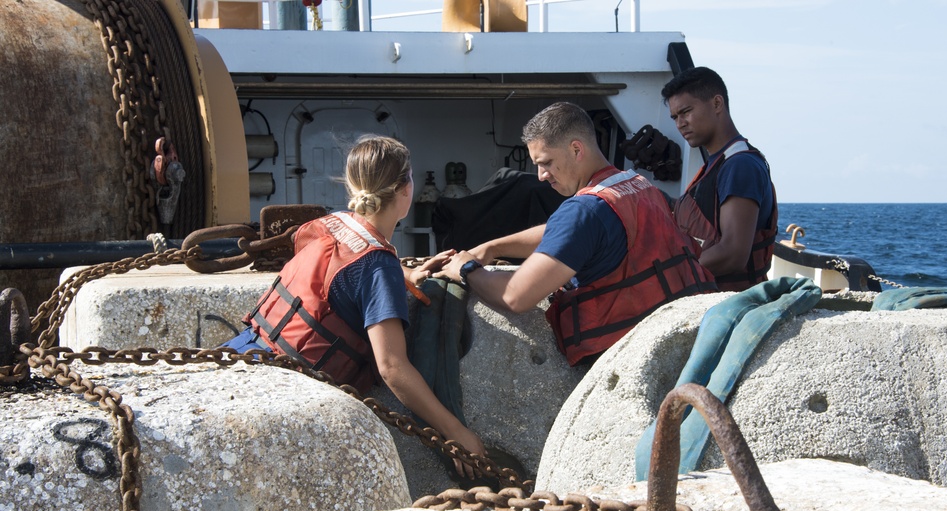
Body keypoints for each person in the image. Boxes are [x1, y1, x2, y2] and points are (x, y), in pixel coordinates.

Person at [223, 135, 485, 478]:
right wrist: (457, 432)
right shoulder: (378, 267)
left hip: (243, 353)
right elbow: (392, 366)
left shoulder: (335, 223)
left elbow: (340, 273)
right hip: (286, 392)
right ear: (406, 189)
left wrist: (406, 274)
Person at [439, 102, 716, 366]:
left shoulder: (584, 211)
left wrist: (468, 269)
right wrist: (493, 248)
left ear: (575, 149)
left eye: (545, 162)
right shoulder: (636, 185)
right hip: (684, 332)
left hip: (628, 352)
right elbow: (566, 232)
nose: (540, 175)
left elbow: (516, 296)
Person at [661, 67, 778, 292]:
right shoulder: (717, 164)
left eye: (686, 111)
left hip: (732, 308)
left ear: (717, 104)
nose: (680, 123)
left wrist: (671, 274)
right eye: (675, 117)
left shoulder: (740, 166)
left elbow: (733, 253)